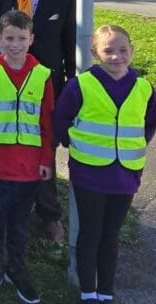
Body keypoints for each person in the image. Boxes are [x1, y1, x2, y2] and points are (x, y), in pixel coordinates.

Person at [54, 25, 156, 304]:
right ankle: (88, 290)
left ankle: (106, 291)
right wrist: (71, 142)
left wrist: (135, 144)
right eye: (108, 51)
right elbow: (60, 119)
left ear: (132, 51)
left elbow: (148, 124)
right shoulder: (81, 84)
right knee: (90, 233)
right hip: (89, 173)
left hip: (125, 175)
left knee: (111, 235)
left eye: (123, 50)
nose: (116, 57)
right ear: (95, 53)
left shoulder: (144, 87)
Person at [0, 0, 76, 243]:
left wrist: (68, 95)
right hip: (5, 91)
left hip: (45, 93)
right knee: (9, 150)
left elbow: (69, 53)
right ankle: (11, 210)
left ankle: (50, 214)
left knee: (44, 152)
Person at [0, 10, 54, 304]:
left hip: (29, 169)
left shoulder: (42, 75)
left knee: (19, 225)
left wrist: (45, 160)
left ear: (31, 39)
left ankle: (17, 270)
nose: (15, 44)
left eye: (21, 38)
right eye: (9, 38)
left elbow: (47, 123)